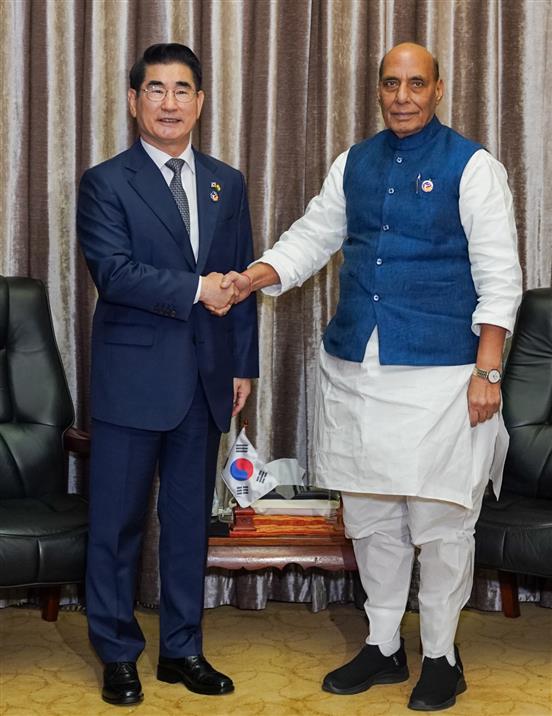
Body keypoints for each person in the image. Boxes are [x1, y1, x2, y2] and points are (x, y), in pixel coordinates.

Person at [219, 43, 522, 711]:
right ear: (378, 91)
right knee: (371, 519)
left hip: (446, 373)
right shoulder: (353, 162)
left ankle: (441, 653)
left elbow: (501, 276)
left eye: (417, 83)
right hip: (356, 368)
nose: (403, 96)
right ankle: (384, 645)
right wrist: (254, 276)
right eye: (392, 83)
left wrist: (488, 371)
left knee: (441, 523)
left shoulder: (473, 167)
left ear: (439, 89)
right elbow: (313, 236)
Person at [77, 43, 258, 706]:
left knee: (187, 527)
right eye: (156, 89)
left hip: (207, 381)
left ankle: (182, 649)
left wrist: (244, 365)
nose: (170, 103)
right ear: (134, 102)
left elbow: (240, 279)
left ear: (201, 102)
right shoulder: (105, 182)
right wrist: (194, 289)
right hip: (132, 383)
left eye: (183, 90)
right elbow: (115, 273)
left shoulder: (226, 182)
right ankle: (118, 653)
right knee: (118, 527)